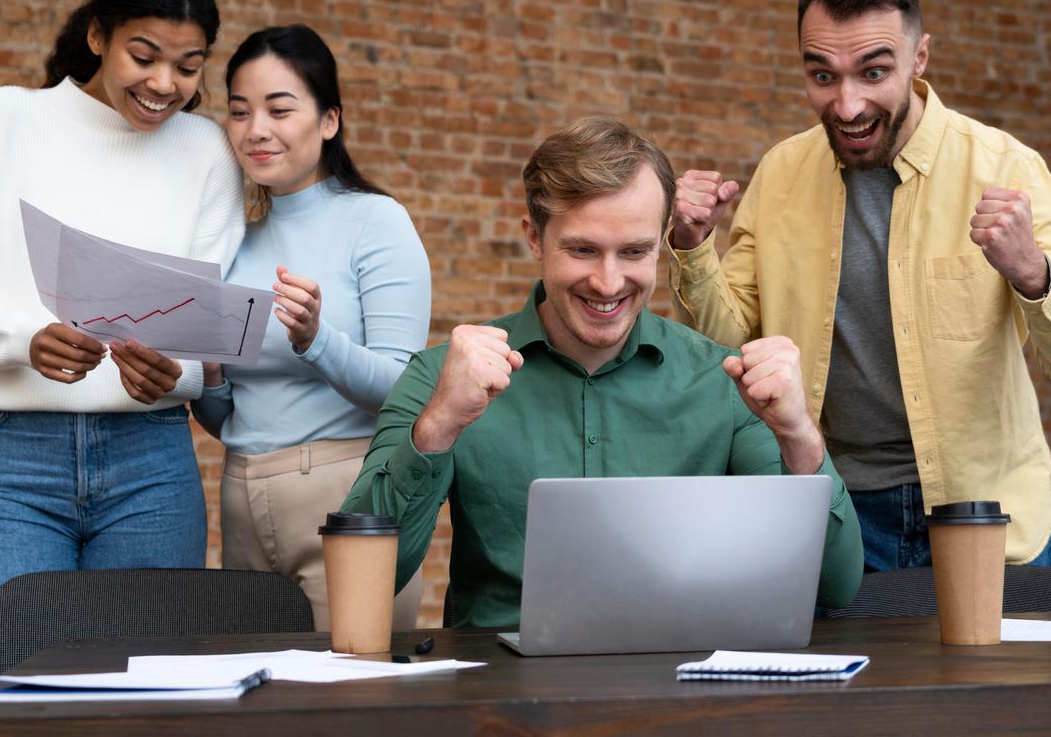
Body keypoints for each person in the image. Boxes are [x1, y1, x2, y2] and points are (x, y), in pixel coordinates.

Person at [667, 0, 1051, 572]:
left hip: (984, 520)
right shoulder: (780, 174)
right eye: (822, 76)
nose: (847, 106)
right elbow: (729, 347)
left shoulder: (1006, 168)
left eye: (873, 73)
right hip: (836, 515)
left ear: (919, 58)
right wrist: (692, 248)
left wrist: (1032, 272)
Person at [342, 116, 862, 629]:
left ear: (661, 243)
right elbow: (366, 583)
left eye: (634, 252)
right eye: (583, 249)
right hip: (500, 691)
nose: (608, 282)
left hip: (681, 682)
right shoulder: (441, 379)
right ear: (534, 239)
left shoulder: (722, 381)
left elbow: (835, 587)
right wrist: (437, 428)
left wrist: (798, 435)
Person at [0, 0, 245, 690]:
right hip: (13, 462)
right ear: (98, 36)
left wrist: (175, 372)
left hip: (151, 465)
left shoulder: (209, 151)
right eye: (144, 55)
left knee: (147, 691)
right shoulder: (3, 120)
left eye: (188, 66)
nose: (164, 85)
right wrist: (22, 340)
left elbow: (203, 319)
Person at [190, 25, 431, 631]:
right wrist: (211, 378)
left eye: (279, 109)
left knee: (352, 708)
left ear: (329, 121)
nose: (256, 130)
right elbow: (231, 416)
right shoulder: (234, 241)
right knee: (254, 702)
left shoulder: (376, 221)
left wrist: (316, 339)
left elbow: (406, 390)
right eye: (239, 112)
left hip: (349, 497)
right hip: (243, 494)